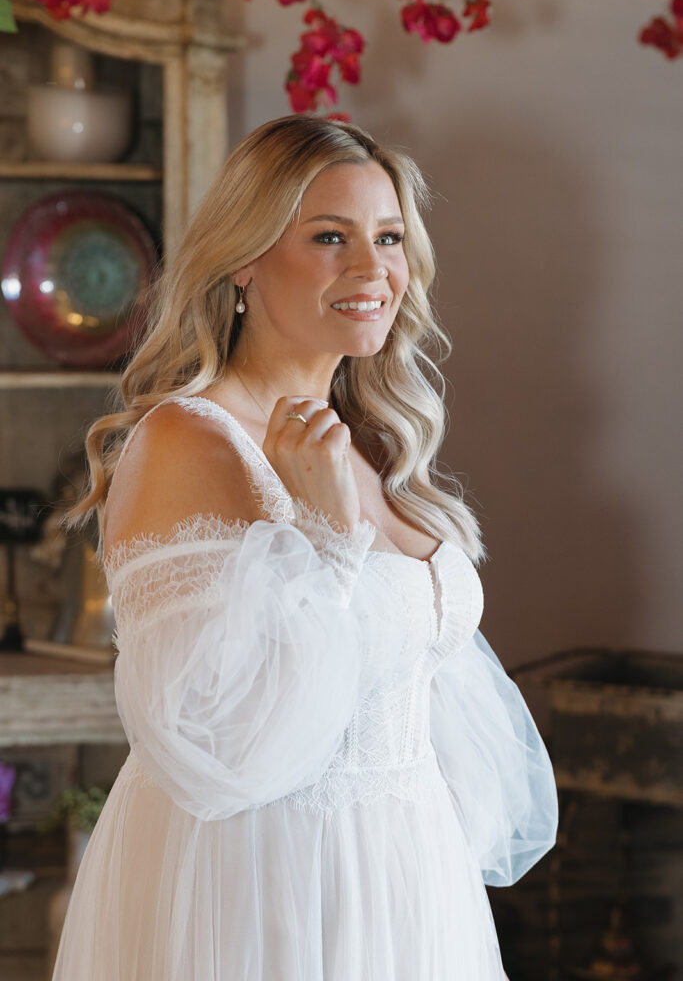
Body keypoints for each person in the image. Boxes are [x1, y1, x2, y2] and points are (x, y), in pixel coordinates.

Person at [53, 113, 558, 981]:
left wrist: (423, 850)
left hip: (401, 873)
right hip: (264, 883)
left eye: (389, 238)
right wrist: (324, 539)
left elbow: (423, 686)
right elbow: (214, 751)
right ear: (243, 259)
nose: (373, 270)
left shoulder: (369, 440)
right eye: (330, 237)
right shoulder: (190, 442)